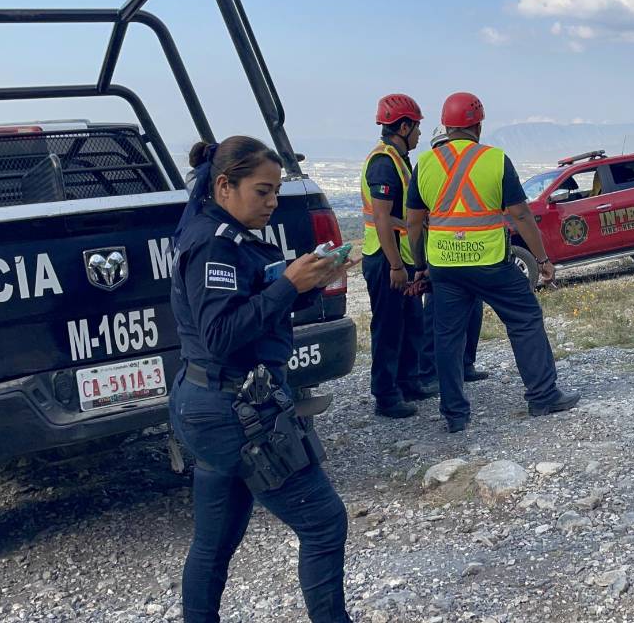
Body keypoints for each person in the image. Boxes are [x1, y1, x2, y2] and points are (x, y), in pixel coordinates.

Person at [169, 136, 356, 623]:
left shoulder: (218, 231)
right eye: (263, 191)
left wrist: (302, 284)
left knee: (215, 543)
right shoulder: (215, 243)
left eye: (276, 191)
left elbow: (251, 308)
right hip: (232, 410)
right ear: (225, 186)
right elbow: (221, 335)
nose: (273, 202)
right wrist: (287, 285)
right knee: (324, 523)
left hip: (210, 403)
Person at [406, 92, 580, 433]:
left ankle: (455, 415)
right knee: (525, 319)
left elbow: (414, 222)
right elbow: (521, 215)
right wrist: (542, 259)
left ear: (447, 125)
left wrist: (420, 264)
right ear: (477, 125)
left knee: (447, 337)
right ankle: (543, 395)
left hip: (445, 266)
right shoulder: (496, 160)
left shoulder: (425, 164)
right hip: (490, 263)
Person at [360, 93, 437, 418]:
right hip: (385, 258)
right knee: (389, 327)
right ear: (403, 126)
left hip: (400, 257)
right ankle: (386, 395)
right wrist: (395, 265)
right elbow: (381, 217)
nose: (420, 133)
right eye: (417, 126)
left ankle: (409, 381)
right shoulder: (383, 163)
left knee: (411, 322)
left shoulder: (397, 158)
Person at [419, 125, 489, 385]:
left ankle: (465, 365)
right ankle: (430, 372)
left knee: (472, 313)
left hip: (469, 254)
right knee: (436, 319)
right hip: (441, 257)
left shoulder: (465, 172)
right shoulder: (430, 173)